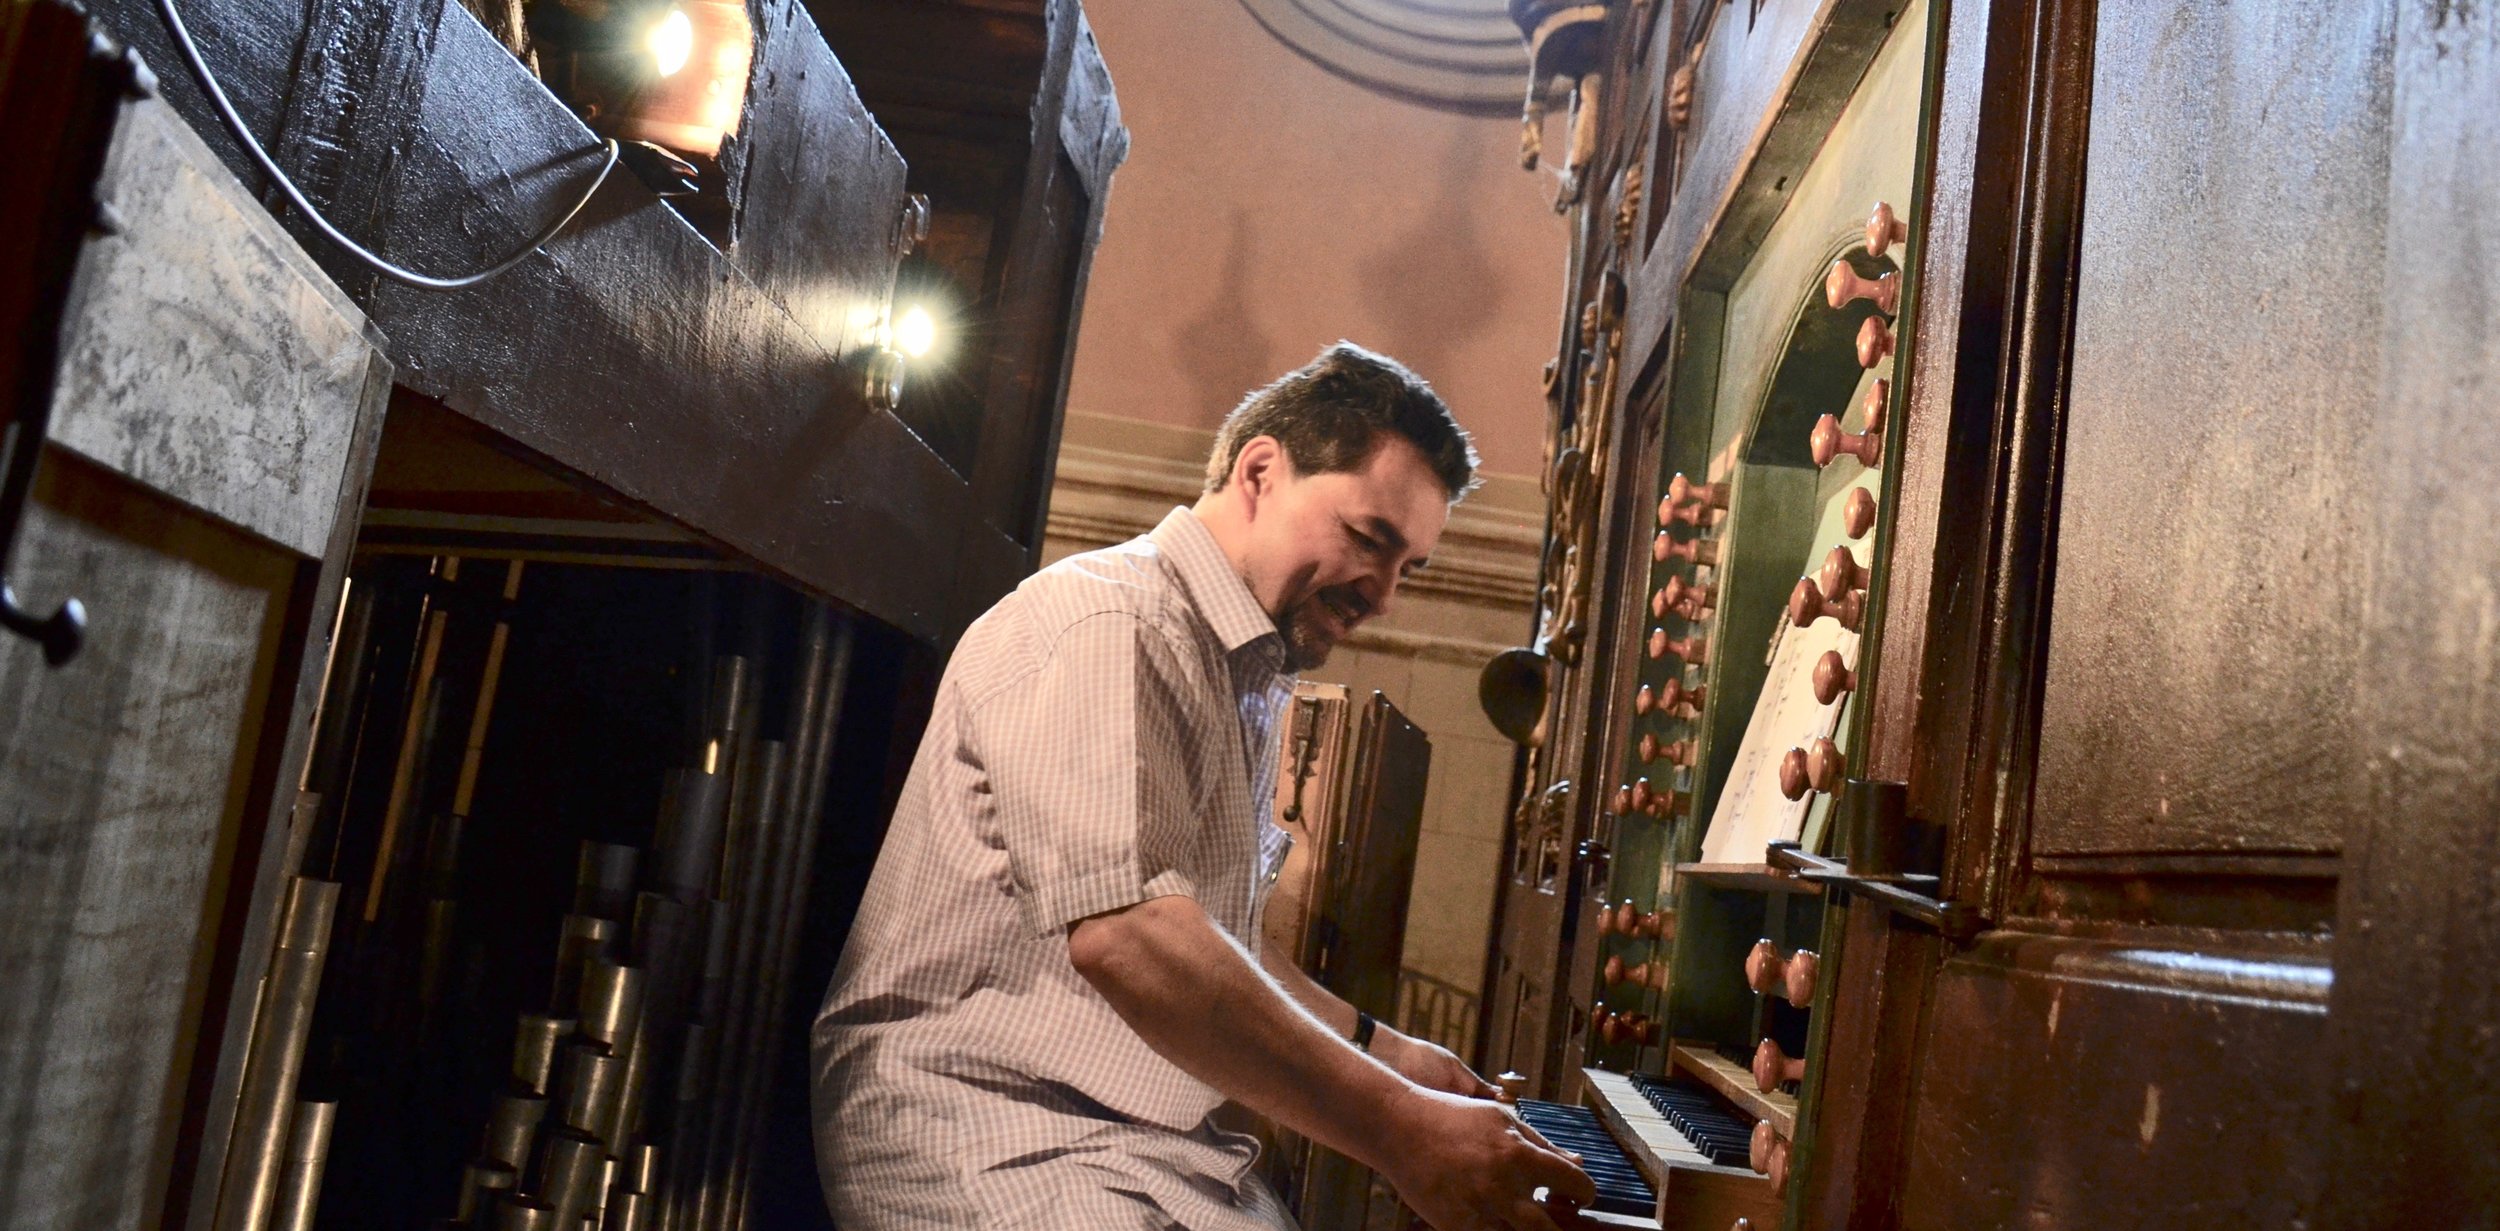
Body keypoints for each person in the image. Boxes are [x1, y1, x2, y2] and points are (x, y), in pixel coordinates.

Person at [812, 342, 1594, 1230]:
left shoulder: (1240, 668)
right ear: (1261, 469)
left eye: (1408, 568)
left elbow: (1220, 940)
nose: (1383, 595)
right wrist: (1402, 1130)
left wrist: (1386, 1051)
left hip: (1128, 1143)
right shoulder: (1113, 622)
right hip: (986, 1125)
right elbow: (1135, 939)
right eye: (1370, 539)